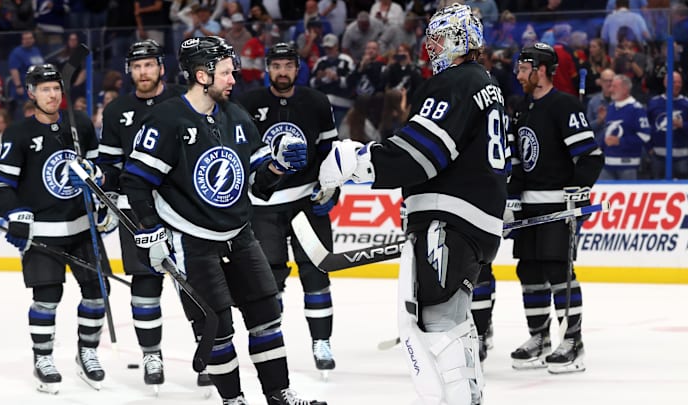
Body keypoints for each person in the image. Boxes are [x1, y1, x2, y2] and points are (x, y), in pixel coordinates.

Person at [119, 36, 327, 405]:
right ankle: (233, 400)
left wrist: (278, 165)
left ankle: (278, 393)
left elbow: (258, 179)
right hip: (191, 241)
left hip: (240, 234)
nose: (235, 79)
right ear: (202, 75)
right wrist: (150, 230)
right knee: (216, 328)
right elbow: (136, 180)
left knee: (267, 315)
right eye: (227, 72)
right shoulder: (166, 119)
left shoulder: (236, 115)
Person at [317, 4, 507, 404]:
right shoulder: (486, 84)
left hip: (449, 219)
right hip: (472, 221)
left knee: (437, 324)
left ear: (458, 40)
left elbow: (419, 155)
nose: (429, 49)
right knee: (454, 319)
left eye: (437, 40)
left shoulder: (457, 82)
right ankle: (468, 395)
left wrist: (357, 161)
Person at [0, 64, 110, 394]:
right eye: (45, 89)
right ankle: (44, 358)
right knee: (47, 299)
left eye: (56, 88)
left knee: (98, 295)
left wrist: (97, 182)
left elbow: (102, 170)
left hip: (83, 229)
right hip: (44, 233)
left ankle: (88, 353)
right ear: (31, 93)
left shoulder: (80, 124)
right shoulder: (19, 133)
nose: (52, 94)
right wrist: (17, 213)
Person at [237, 42, 341, 377]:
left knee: (316, 274)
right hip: (264, 207)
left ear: (298, 68)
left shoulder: (316, 102)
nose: (282, 72)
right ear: (268, 68)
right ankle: (272, 344)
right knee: (269, 280)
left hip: (306, 205)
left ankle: (321, 343)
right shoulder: (249, 103)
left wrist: (332, 187)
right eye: (276, 65)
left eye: (288, 65)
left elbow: (331, 151)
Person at [97, 39, 189, 391]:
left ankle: (209, 349)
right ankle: (151, 354)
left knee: (194, 282)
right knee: (145, 283)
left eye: (149, 65)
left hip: (183, 207)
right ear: (129, 71)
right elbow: (109, 163)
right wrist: (99, 176)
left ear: (161, 67)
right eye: (137, 67)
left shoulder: (182, 98)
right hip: (135, 209)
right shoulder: (117, 109)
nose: (143, 72)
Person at [508, 42, 604, 374]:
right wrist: (511, 196)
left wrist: (578, 189)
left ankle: (573, 341)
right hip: (529, 209)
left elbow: (590, 156)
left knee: (556, 271)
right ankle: (539, 337)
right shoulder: (519, 108)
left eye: (523, 68)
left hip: (557, 206)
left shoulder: (564, 106)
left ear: (541, 70)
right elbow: (518, 161)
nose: (518, 74)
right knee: (529, 272)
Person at [647, 71, 688, 179]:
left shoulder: (686, 103)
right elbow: (647, 126)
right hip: (658, 157)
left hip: (682, 157)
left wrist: (682, 125)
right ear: (665, 83)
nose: (677, 85)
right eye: (674, 82)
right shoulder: (654, 102)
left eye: (679, 82)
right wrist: (649, 147)